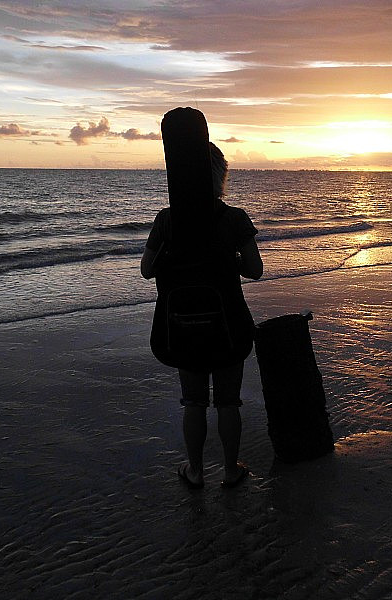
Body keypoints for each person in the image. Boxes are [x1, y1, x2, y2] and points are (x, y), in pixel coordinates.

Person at [141, 113, 262, 490]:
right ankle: (230, 470)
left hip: (183, 324)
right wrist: (229, 259)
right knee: (228, 401)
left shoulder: (167, 220)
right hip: (228, 323)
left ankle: (194, 470)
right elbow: (255, 270)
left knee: (193, 401)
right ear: (219, 174)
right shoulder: (234, 219)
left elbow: (147, 270)